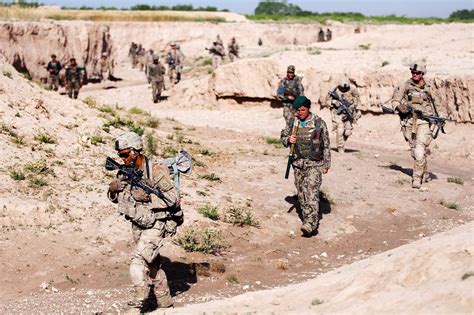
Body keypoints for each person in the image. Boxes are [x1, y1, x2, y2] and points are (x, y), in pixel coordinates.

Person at [107, 132, 183, 311]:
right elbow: (115, 198)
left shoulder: (156, 170)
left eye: (125, 154)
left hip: (158, 222)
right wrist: (113, 189)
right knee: (153, 265)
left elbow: (173, 198)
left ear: (135, 152)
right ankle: (165, 304)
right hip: (138, 223)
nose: (122, 158)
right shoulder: (124, 172)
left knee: (138, 261)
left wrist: (148, 197)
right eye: (121, 155)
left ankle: (135, 305)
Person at [280, 96, 331, 237]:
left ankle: (311, 223)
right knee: (301, 193)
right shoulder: (293, 122)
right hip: (298, 164)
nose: (300, 112)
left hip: (314, 163)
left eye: (303, 110)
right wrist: (288, 140)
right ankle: (306, 217)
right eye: (298, 110)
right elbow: (283, 137)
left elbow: (326, 144)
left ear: (308, 108)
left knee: (311, 191)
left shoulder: (319, 123)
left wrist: (326, 163)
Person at [390, 60, 437, 189]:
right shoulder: (405, 85)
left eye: (417, 72)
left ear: (422, 73)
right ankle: (424, 172)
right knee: (414, 150)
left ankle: (416, 179)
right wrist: (400, 107)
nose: (414, 74)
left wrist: (436, 121)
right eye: (412, 72)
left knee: (419, 150)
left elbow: (437, 106)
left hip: (424, 122)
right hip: (409, 122)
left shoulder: (429, 88)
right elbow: (394, 101)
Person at [327, 77, 361, 153]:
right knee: (340, 130)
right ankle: (340, 148)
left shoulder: (353, 90)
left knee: (347, 132)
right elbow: (327, 101)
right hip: (337, 113)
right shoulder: (334, 90)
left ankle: (342, 140)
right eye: (342, 88)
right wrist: (334, 102)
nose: (343, 89)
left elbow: (358, 100)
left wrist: (356, 109)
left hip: (348, 112)